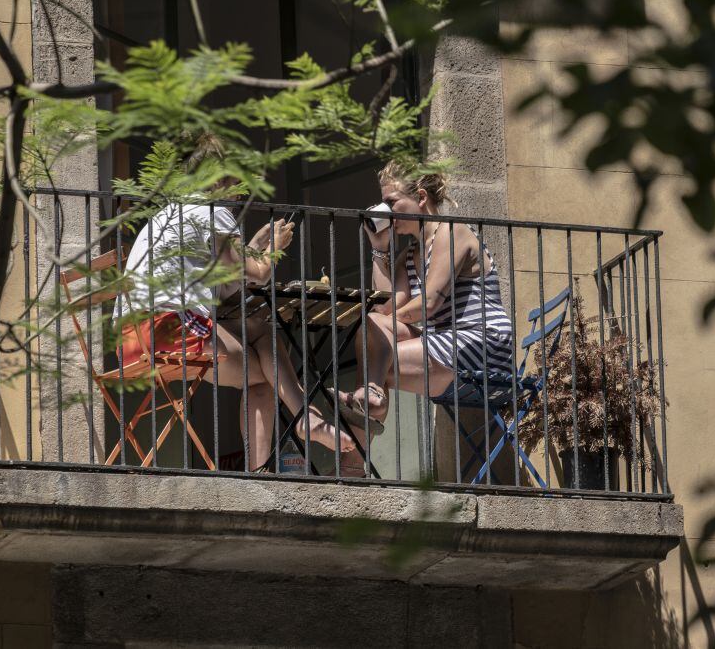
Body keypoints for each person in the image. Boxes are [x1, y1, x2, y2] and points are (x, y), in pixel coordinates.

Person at [120, 134, 355, 471]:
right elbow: (256, 276)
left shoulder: (169, 215)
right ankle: (302, 420)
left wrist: (255, 248)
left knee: (261, 334)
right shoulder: (210, 211)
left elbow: (230, 288)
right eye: (232, 179)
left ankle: (277, 450)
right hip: (170, 329)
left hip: (131, 337)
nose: (234, 190)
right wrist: (272, 249)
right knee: (266, 358)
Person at [338, 161, 515, 441]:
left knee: (375, 354)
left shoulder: (452, 232)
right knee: (372, 328)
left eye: (391, 202)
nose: (386, 211)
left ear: (421, 198)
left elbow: (428, 304)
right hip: (446, 343)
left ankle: (366, 415)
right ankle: (371, 397)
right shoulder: (409, 255)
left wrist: (382, 327)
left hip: (483, 344)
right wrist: (379, 249)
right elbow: (383, 309)